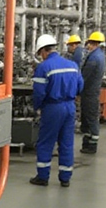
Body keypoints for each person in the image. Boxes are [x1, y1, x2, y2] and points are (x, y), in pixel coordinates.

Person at [30, 34, 84, 188]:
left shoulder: (44, 67)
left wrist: (37, 107)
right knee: (66, 142)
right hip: (70, 107)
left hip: (52, 107)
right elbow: (81, 86)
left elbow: (39, 93)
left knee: (46, 142)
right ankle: (65, 178)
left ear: (43, 51)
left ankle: (43, 176)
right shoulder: (72, 65)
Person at [80, 30, 106, 154]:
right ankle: (88, 142)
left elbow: (85, 76)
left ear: (93, 43)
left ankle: (91, 145)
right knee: (88, 117)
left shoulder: (94, 58)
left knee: (90, 118)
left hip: (89, 92)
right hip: (92, 91)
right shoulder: (99, 55)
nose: (88, 46)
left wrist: (76, 88)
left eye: (89, 44)